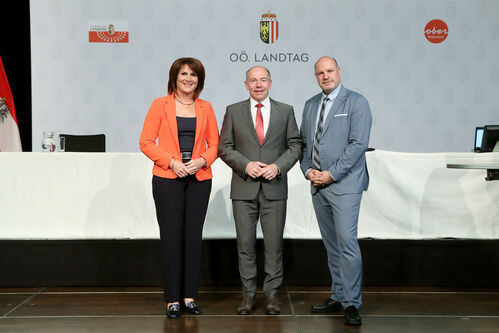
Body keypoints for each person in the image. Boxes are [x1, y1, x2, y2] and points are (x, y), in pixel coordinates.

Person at [218, 66, 302, 315]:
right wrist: (246, 165)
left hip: (275, 189)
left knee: (274, 247)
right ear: (246, 84)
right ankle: (248, 296)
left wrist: (278, 167)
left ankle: (273, 297)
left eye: (262, 80)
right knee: (245, 245)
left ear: (270, 83)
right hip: (243, 190)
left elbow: (295, 145)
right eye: (253, 81)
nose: (258, 84)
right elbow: (224, 147)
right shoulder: (233, 111)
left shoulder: (285, 111)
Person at [139, 57, 219, 319]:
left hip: (199, 180)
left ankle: (189, 296)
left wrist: (201, 161)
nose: (188, 79)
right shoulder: (159, 105)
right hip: (167, 179)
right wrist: (172, 163)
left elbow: (215, 145)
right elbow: (147, 142)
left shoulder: (206, 107)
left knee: (193, 239)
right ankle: (172, 299)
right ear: (174, 77)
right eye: (183, 74)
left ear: (200, 80)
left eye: (193, 75)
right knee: (171, 239)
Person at [299, 56, 372, 326]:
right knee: (332, 246)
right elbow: (304, 145)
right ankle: (339, 295)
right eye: (320, 73)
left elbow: (357, 144)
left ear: (339, 71)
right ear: (315, 76)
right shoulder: (309, 105)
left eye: (330, 71)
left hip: (345, 185)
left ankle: (352, 303)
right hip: (318, 186)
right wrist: (308, 171)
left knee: (347, 244)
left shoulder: (356, 102)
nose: (325, 76)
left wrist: (331, 174)